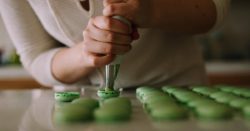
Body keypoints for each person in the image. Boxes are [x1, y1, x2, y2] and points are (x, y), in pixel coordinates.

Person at [0, 0, 230, 89]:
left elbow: (216, 9)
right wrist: (86, 52)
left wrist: (153, 11)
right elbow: (34, 56)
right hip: (76, 108)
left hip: (177, 93)